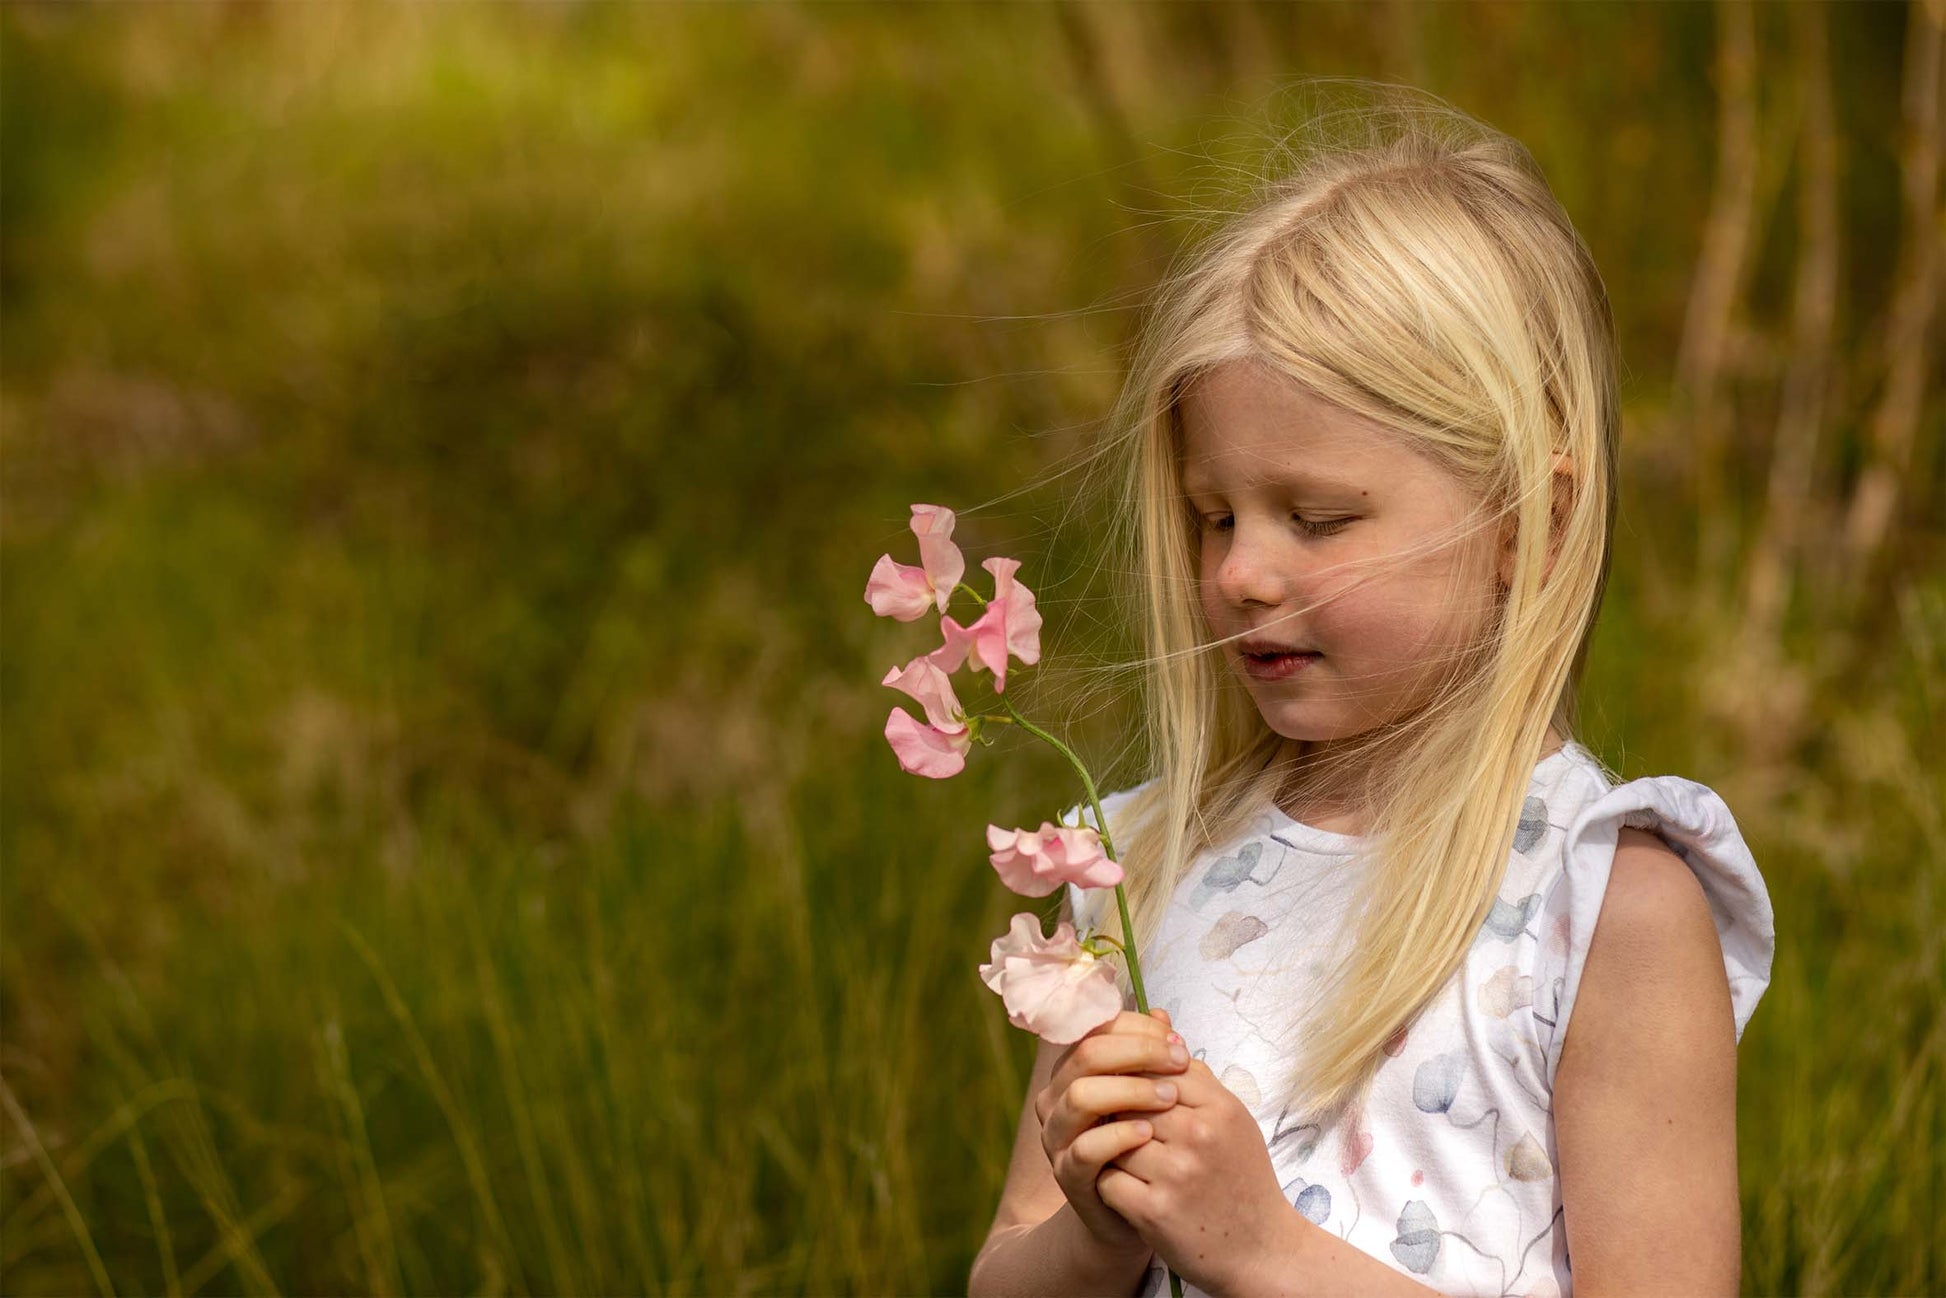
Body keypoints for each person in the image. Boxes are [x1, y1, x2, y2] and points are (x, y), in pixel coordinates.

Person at [966, 95, 1774, 1298]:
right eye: (1212, 515)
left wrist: (1260, 1250)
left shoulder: (1603, 904)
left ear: (1529, 524)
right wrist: (1094, 1231)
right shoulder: (1141, 864)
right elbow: (1005, 1272)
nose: (1239, 569)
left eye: (1318, 518)